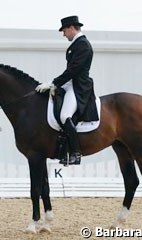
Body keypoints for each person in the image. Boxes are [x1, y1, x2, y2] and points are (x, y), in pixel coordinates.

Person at [35, 15, 98, 165]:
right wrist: (54, 85)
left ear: (71, 28)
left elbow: (73, 70)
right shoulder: (77, 44)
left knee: (65, 116)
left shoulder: (83, 45)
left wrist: (54, 83)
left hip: (79, 87)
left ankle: (75, 153)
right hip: (71, 83)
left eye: (64, 31)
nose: (64, 34)